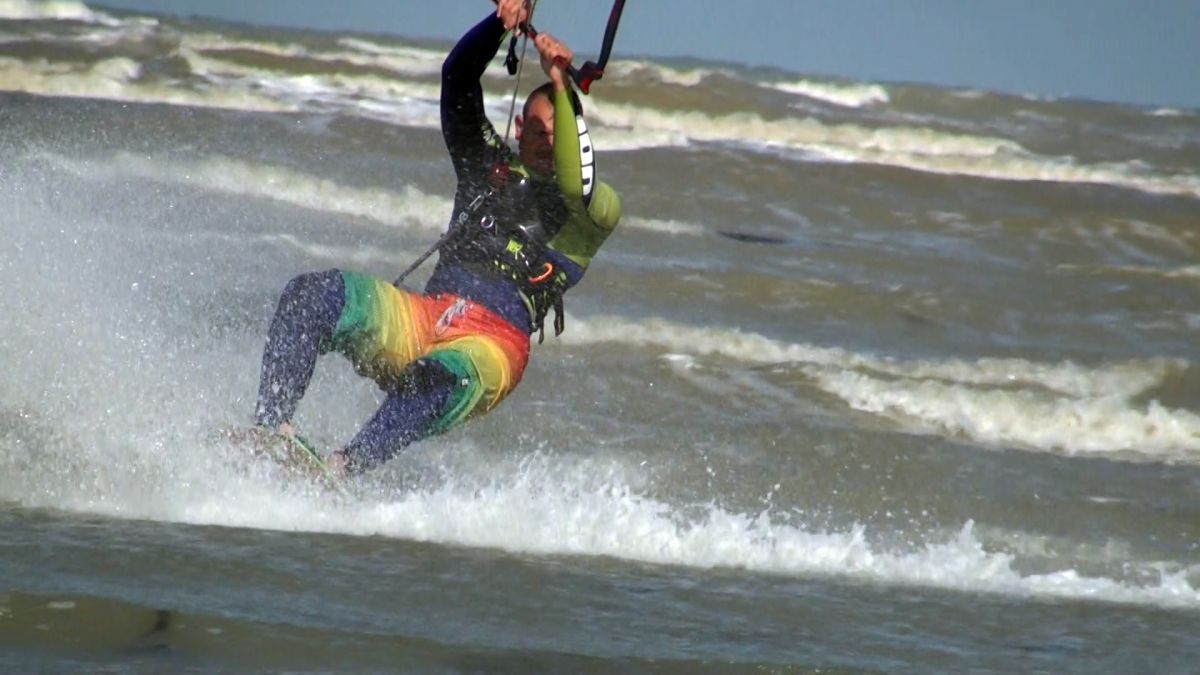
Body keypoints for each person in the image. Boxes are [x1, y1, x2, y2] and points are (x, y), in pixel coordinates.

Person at [250, 0, 622, 477]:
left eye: (559, 132)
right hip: (427, 315)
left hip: (491, 348)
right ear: (519, 128)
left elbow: (574, 181)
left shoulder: (591, 213)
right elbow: (457, 80)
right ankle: (269, 431)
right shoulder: (487, 165)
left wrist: (560, 84)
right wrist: (499, 24)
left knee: (433, 378)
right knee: (310, 296)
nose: (548, 141)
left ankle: (341, 471)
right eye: (538, 130)